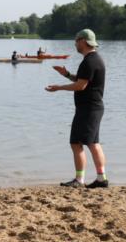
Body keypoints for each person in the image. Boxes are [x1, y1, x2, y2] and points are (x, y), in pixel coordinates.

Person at [46, 28, 108, 188]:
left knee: (77, 143)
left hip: (88, 109)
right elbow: (82, 80)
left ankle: (80, 180)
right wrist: (66, 74)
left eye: (76, 40)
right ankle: (101, 178)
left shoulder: (89, 61)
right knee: (93, 143)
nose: (75, 43)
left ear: (83, 41)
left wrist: (58, 88)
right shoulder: (94, 59)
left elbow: (81, 86)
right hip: (93, 107)